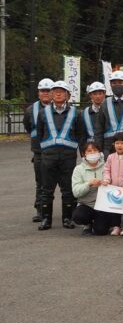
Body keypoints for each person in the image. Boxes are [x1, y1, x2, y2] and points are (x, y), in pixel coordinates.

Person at [36, 80, 83, 231]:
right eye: (55, 91)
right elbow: (39, 134)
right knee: (46, 189)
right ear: (51, 94)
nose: (58, 93)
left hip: (68, 157)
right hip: (48, 157)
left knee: (68, 189)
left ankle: (67, 218)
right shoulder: (43, 113)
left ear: (68, 95)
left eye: (62, 91)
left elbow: (80, 134)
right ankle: (46, 219)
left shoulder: (76, 113)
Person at [71, 141, 118, 236]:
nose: (92, 153)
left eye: (95, 150)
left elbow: (115, 184)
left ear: (100, 152)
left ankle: (101, 223)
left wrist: (106, 183)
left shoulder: (106, 166)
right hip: (87, 204)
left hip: (103, 206)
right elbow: (76, 192)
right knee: (78, 216)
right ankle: (87, 224)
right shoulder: (78, 169)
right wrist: (89, 184)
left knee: (101, 231)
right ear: (83, 154)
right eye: (89, 151)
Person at [23, 77, 54, 223]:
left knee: (63, 184)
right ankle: (41, 210)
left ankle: (68, 212)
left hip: (57, 151)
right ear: (38, 93)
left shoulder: (61, 107)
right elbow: (28, 127)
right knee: (41, 183)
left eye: (48, 90)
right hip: (39, 152)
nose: (45, 93)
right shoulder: (30, 110)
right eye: (43, 90)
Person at [99, 70, 123, 154]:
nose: (117, 85)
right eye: (114, 83)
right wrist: (99, 150)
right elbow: (99, 129)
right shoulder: (105, 104)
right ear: (110, 85)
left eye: (120, 82)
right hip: (109, 148)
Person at [102, 131, 123, 235]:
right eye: (117, 143)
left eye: (122, 143)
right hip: (114, 187)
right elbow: (106, 170)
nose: (119, 145)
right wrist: (107, 179)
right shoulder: (110, 157)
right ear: (113, 144)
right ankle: (116, 226)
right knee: (115, 208)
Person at [78, 82, 105, 153]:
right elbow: (82, 136)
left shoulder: (109, 110)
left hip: (106, 148)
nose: (97, 96)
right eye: (95, 94)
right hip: (90, 150)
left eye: (100, 93)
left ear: (104, 94)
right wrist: (83, 152)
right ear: (90, 95)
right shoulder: (84, 113)